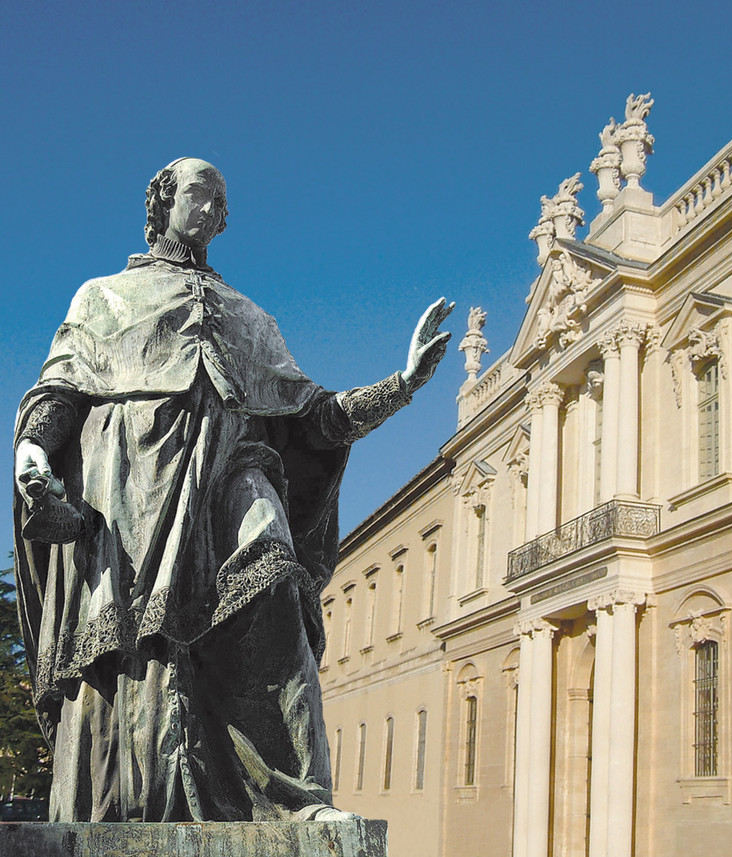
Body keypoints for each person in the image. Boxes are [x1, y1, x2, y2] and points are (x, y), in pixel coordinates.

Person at [12, 157, 453, 822]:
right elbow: (61, 388)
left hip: (233, 467)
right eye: (199, 192)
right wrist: (32, 452)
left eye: (221, 199)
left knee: (275, 581)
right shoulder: (101, 297)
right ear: (161, 203)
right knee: (141, 652)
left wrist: (404, 382)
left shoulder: (252, 318)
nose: (213, 207)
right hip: (133, 478)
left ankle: (300, 798)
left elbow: (318, 418)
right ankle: (140, 801)